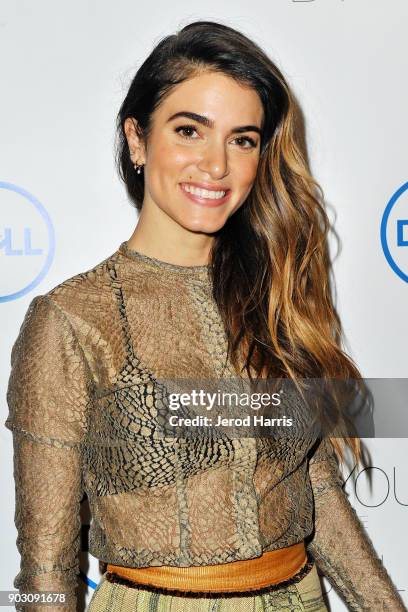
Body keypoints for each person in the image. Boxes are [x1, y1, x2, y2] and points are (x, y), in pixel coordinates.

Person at [4, 20, 406, 612]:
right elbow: (47, 563)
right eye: (190, 130)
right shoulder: (71, 320)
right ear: (137, 140)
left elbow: (314, 488)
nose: (216, 166)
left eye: (242, 139)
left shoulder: (273, 302)